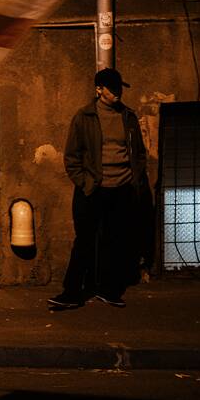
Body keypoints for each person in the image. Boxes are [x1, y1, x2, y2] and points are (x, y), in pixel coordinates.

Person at [49, 67, 150, 310]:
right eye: (112, 89)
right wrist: (85, 183)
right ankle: (72, 293)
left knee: (116, 242)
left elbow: (139, 153)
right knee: (84, 241)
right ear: (99, 90)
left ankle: (109, 290)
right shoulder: (84, 117)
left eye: (119, 89)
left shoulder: (128, 116)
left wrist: (134, 181)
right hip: (93, 189)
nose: (117, 93)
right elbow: (72, 157)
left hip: (123, 189)